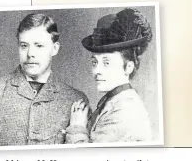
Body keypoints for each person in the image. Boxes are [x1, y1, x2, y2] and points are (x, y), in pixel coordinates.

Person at [0, 13, 87, 147]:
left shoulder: (75, 100)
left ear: (55, 48)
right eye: (24, 45)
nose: (30, 54)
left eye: (39, 46)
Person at [66, 8, 153, 144]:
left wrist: (77, 127)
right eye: (95, 62)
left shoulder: (125, 110)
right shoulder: (115, 101)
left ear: (128, 67)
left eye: (106, 63)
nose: (96, 71)